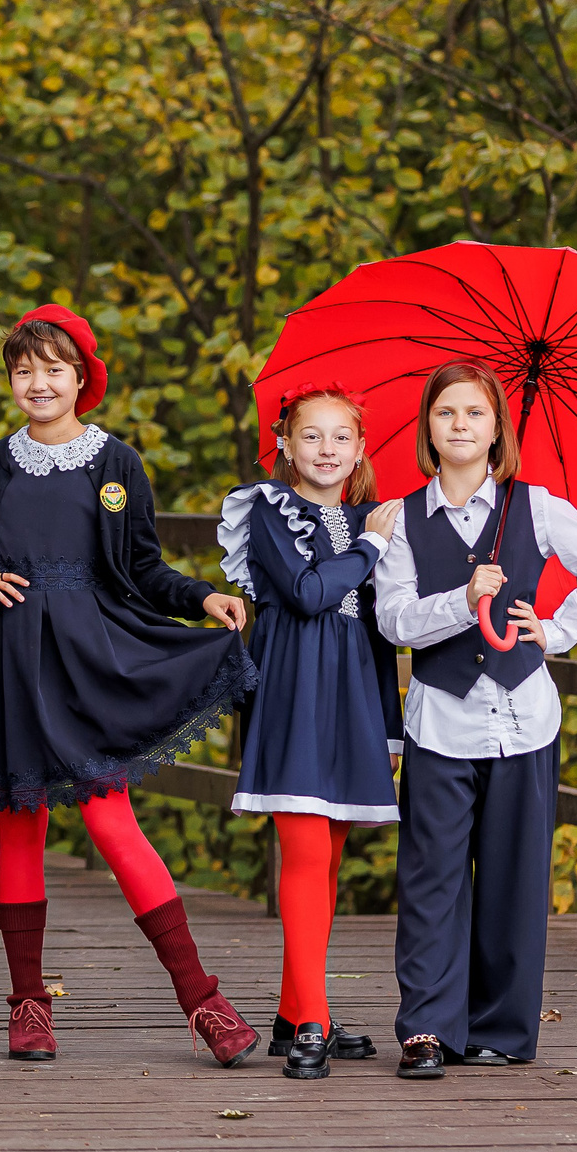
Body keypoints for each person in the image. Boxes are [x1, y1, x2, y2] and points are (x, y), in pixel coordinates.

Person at [0, 305, 261, 1067]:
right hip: (11, 660)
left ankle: (202, 999)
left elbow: (144, 567)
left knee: (112, 819)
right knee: (20, 824)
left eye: (54, 368)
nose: (38, 382)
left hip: (89, 659)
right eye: (24, 369)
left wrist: (200, 598)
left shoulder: (114, 463)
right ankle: (28, 1004)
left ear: (82, 377)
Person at [372, 360, 577, 1079]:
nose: (460, 425)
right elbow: (396, 621)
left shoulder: (537, 508)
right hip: (440, 722)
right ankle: (427, 1027)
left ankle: (501, 1028)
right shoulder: (399, 520)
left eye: (475, 414)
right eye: (447, 412)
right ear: (428, 426)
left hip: (524, 719)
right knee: (432, 879)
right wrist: (462, 596)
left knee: (516, 877)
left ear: (497, 429)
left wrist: (556, 627)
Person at [217, 387, 403, 1079]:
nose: (327, 450)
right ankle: (316, 1023)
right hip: (296, 690)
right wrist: (373, 545)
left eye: (341, 438)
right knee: (301, 851)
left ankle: (298, 1012)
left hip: (355, 697)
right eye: (312, 436)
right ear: (286, 445)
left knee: (328, 861)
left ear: (359, 449)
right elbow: (306, 592)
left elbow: (384, 635)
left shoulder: (369, 519)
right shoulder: (267, 509)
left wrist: (390, 730)